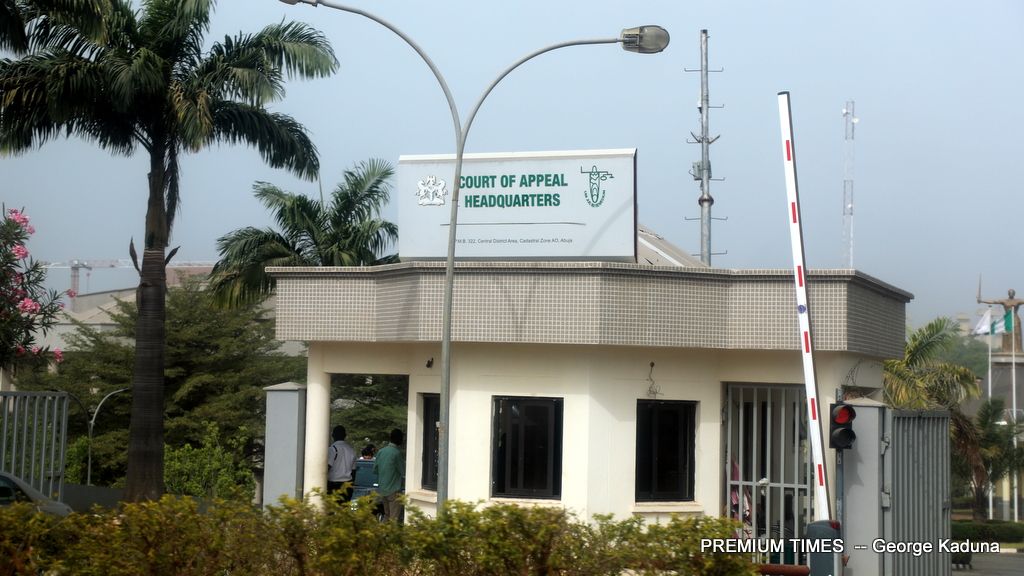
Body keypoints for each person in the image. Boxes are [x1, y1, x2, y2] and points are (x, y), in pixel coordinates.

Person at [374, 428, 405, 522]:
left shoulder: (381, 452)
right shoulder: (397, 453)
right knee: (394, 520)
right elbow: (403, 471)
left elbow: (375, 470)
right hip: (394, 491)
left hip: (383, 489)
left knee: (386, 516)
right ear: (399, 439)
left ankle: (381, 536)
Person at [327, 425, 356, 502]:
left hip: (333, 486)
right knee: (344, 511)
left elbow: (327, 468)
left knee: (331, 510)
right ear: (345, 436)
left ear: (333, 435)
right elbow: (353, 471)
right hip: (347, 485)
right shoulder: (351, 450)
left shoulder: (332, 449)